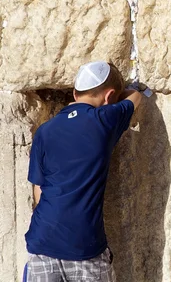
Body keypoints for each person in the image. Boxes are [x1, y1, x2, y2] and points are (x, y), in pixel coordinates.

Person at [24, 61, 142, 282]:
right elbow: (135, 97)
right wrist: (125, 91)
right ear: (109, 97)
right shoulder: (104, 121)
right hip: (84, 246)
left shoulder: (44, 131)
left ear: (75, 93)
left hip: (42, 241)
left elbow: (38, 192)